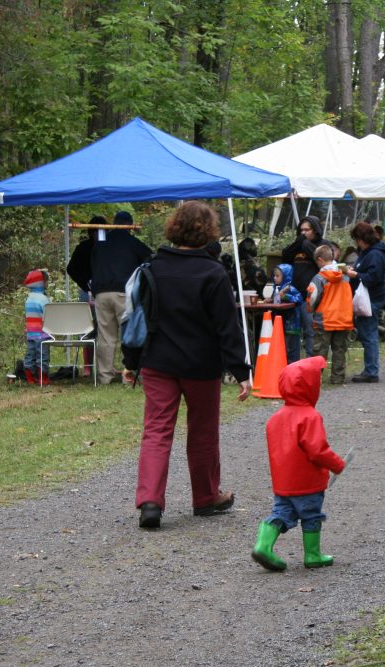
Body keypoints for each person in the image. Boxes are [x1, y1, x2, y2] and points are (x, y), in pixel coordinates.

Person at [135, 201, 252, 530]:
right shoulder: (213, 273)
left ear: (175, 227)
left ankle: (150, 501)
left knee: (156, 432)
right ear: (209, 231)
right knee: (202, 433)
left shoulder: (153, 266)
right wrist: (241, 372)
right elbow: (227, 328)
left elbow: (139, 318)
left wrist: (132, 362)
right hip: (201, 365)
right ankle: (205, 497)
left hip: (158, 362)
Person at [250, 356, 347, 571]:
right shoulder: (310, 417)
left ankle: (263, 546)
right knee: (311, 515)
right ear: (309, 385)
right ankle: (312, 555)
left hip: (283, 483)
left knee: (281, 513)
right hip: (307, 481)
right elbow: (317, 450)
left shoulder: (275, 418)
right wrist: (337, 464)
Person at [91, 210, 151, 385]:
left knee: (105, 336)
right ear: (130, 226)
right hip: (124, 294)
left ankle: (104, 377)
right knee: (130, 334)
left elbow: (93, 266)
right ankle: (129, 375)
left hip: (101, 293)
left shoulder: (100, 244)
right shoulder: (133, 243)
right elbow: (150, 260)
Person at [281, 216, 332, 357]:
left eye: (307, 230)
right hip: (295, 295)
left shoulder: (323, 245)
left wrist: (306, 245)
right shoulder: (299, 243)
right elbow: (285, 257)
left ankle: (312, 363)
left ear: (315, 230)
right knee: (293, 332)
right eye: (301, 230)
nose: (303, 233)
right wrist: (298, 244)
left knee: (311, 331)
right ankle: (293, 362)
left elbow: (324, 261)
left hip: (312, 296)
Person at [347, 221, 385, 384]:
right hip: (367, 298)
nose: (357, 243)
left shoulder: (375, 254)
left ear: (362, 238)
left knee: (369, 334)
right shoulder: (369, 252)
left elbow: (374, 278)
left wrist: (355, 275)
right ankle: (370, 369)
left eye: (357, 239)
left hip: (371, 298)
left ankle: (371, 371)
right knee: (367, 333)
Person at [307, 245, 353, 385]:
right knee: (339, 350)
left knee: (320, 350)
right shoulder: (345, 275)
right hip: (343, 318)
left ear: (320, 260)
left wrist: (310, 309)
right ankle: (338, 378)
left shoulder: (319, 277)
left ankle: (315, 379)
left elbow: (312, 297)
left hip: (325, 319)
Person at [66, 216, 104, 377]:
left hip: (105, 291)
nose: (101, 234)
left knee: (105, 329)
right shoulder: (83, 247)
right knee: (87, 328)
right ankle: (88, 366)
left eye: (103, 231)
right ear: (91, 232)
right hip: (86, 292)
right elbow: (71, 269)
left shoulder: (108, 247)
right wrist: (84, 283)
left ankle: (103, 366)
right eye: (97, 231)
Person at [272, 263, 305, 364]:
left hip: (292, 325)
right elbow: (277, 300)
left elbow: (299, 299)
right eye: (274, 275)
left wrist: (286, 297)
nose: (274, 278)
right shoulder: (277, 289)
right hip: (282, 324)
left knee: (292, 350)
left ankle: (293, 370)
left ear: (286, 276)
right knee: (284, 348)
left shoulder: (290, 288)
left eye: (277, 276)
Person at [22, 269, 50, 385]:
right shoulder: (43, 299)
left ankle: (30, 378)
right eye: (46, 281)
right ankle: (43, 378)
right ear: (40, 283)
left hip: (31, 333)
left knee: (30, 355)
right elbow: (48, 316)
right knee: (42, 355)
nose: (47, 284)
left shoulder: (29, 299)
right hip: (42, 333)